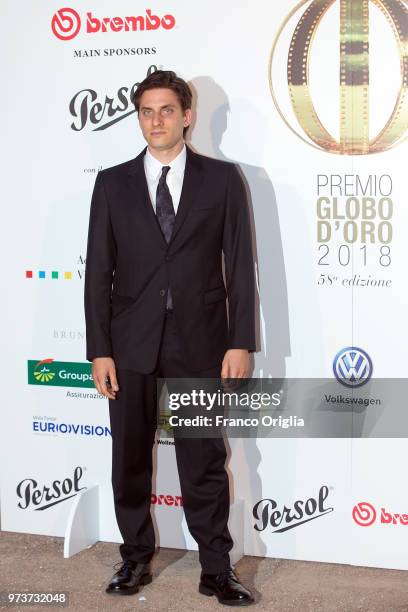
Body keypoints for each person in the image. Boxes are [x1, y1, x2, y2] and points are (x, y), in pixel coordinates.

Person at [84, 70, 256, 606]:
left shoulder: (223, 180)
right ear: (138, 117)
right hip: (129, 341)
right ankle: (134, 559)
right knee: (130, 455)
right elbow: (98, 273)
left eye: (165, 110)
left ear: (187, 115)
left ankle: (216, 568)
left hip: (202, 341)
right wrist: (99, 349)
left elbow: (242, 268)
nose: (155, 120)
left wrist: (240, 340)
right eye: (145, 111)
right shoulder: (111, 183)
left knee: (203, 458)